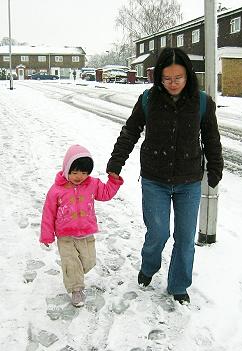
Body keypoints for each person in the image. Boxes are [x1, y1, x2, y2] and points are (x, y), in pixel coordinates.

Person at [106, 47, 223, 305]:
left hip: (189, 181)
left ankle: (179, 285)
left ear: (188, 75)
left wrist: (215, 167)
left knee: (184, 239)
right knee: (158, 233)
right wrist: (116, 161)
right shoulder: (148, 100)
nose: (173, 83)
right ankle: (149, 266)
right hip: (155, 179)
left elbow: (212, 139)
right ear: (159, 77)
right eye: (167, 78)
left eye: (178, 78)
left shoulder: (202, 102)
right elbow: (130, 132)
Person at [40, 144, 124, 307]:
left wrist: (113, 181)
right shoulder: (57, 190)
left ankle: (74, 274)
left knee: (89, 261)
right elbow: (48, 213)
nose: (79, 176)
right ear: (67, 169)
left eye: (84, 173)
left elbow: (106, 193)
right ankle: (76, 289)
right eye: (75, 172)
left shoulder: (92, 184)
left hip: (86, 233)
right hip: (65, 236)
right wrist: (46, 235)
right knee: (71, 263)